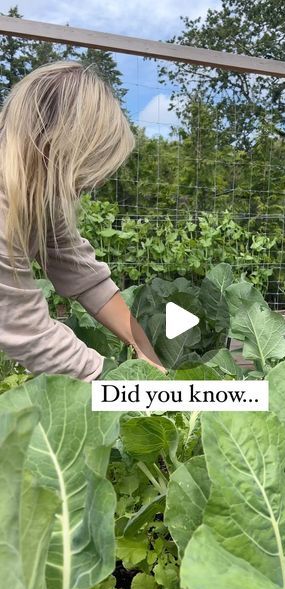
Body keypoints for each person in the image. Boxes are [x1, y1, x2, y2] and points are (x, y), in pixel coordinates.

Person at [0, 60, 165, 381]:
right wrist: (130, 389)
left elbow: (86, 277)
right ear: (54, 144)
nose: (97, 182)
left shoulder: (35, 191)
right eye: (91, 160)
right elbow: (28, 333)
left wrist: (148, 356)